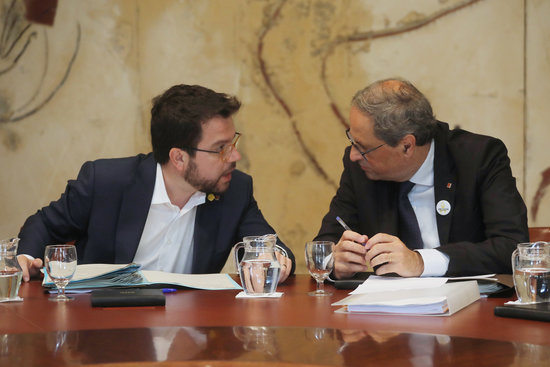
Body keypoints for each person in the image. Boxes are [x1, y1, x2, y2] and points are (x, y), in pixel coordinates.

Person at [17, 84, 295, 282]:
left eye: (233, 142)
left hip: (188, 340)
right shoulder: (106, 182)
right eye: (221, 148)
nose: (235, 156)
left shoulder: (235, 190)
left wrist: (276, 260)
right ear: (178, 158)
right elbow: (43, 224)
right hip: (103, 333)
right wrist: (26, 259)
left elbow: (270, 245)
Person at [314, 78, 528, 278]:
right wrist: (334, 260)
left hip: (469, 307)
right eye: (352, 140)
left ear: (407, 145)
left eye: (363, 148)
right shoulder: (359, 168)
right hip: (385, 310)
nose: (353, 155)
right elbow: (323, 245)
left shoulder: (478, 158)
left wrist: (421, 262)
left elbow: (511, 247)